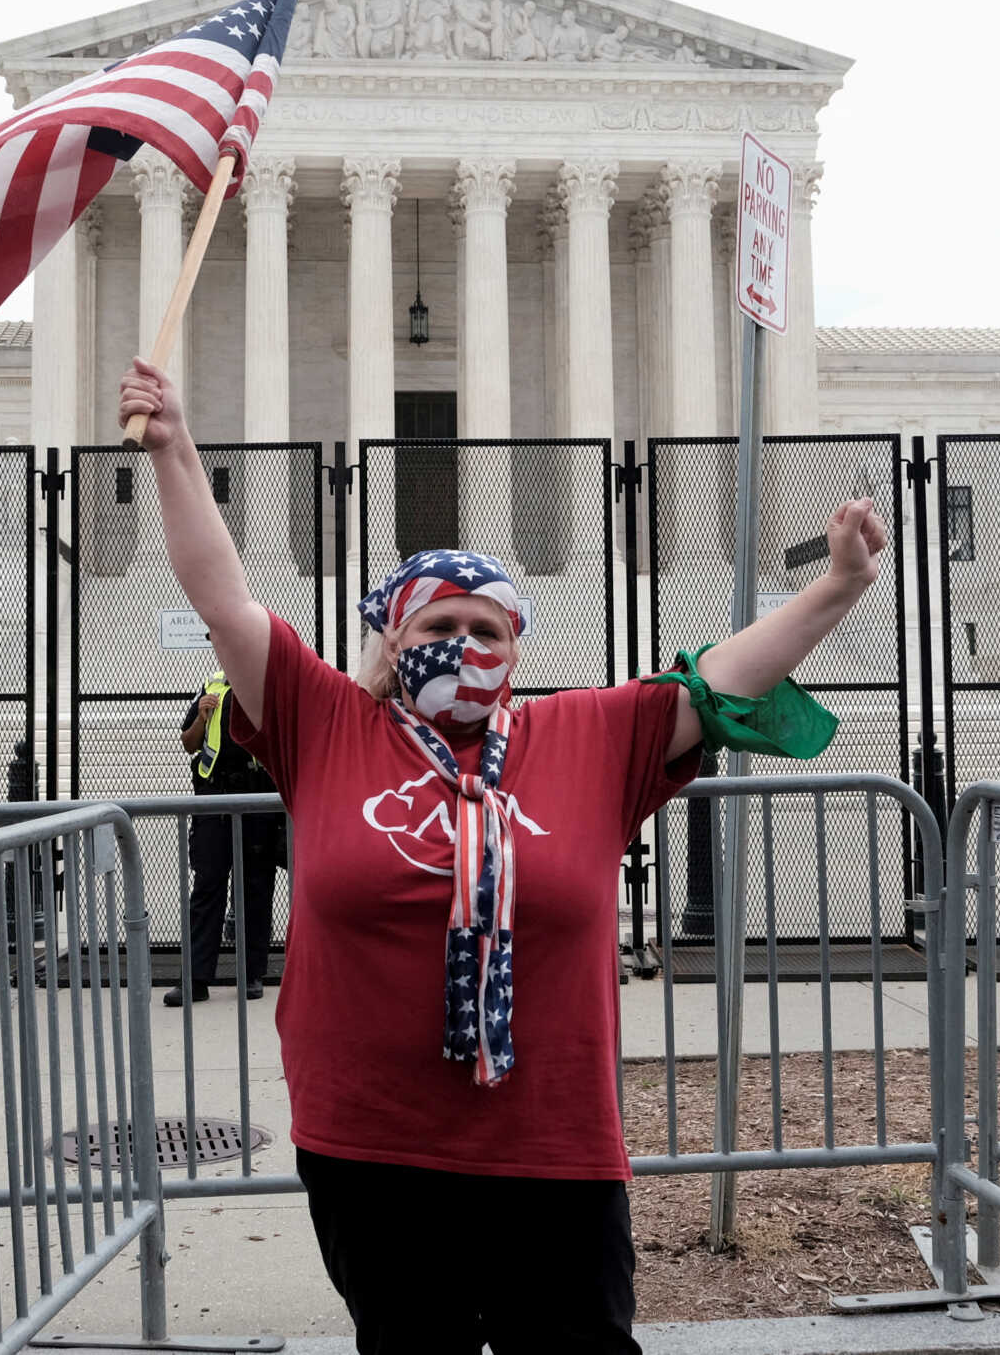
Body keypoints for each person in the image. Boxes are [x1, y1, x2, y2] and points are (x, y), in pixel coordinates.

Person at [118, 355, 887, 1355]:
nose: (465, 642)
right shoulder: (329, 725)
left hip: (551, 1144)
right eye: (440, 623)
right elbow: (226, 602)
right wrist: (176, 445)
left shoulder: (591, 735)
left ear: (517, 651)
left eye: (487, 628)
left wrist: (837, 584)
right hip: (373, 1143)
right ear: (395, 638)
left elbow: (723, 680)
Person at [166, 667, 288, 1007]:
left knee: (255, 887)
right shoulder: (211, 685)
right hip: (215, 799)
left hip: (255, 801)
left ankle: (251, 974)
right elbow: (188, 744)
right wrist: (202, 717)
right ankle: (195, 979)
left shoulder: (269, 687)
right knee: (207, 888)